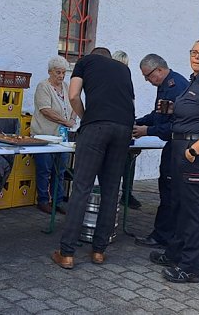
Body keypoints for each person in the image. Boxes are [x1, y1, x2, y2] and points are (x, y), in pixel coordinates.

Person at [148, 39, 199, 284]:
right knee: (179, 207)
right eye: (194, 52)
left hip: (194, 154)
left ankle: (190, 268)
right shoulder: (195, 81)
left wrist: (193, 150)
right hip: (180, 148)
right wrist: (174, 109)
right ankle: (174, 254)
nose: (197, 57)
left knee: (193, 213)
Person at [51, 47, 134, 269]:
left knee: (81, 188)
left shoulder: (85, 61)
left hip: (97, 127)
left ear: (92, 55)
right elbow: (130, 102)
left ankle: (67, 253)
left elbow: (73, 95)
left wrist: (86, 117)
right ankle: (99, 251)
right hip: (124, 129)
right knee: (111, 190)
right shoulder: (123, 69)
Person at [133, 53, 189, 248]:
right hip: (173, 147)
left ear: (158, 70)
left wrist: (147, 131)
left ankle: (163, 236)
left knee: (170, 194)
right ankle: (165, 234)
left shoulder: (176, 87)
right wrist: (138, 122)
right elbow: (158, 116)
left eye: (148, 76)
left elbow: (176, 125)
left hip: (179, 146)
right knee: (167, 191)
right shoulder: (165, 85)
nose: (147, 80)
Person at [31, 56, 75, 214]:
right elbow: (45, 110)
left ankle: (58, 200)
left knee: (60, 170)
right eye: (58, 72)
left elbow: (74, 104)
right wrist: (65, 121)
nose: (61, 76)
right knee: (44, 169)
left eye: (64, 72)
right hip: (44, 135)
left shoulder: (66, 87)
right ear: (50, 72)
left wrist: (72, 119)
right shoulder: (43, 86)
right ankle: (43, 200)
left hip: (61, 137)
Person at [111, 50, 141, 209]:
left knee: (129, 159)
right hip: (112, 125)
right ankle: (112, 193)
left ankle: (127, 193)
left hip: (124, 125)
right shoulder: (107, 80)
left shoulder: (127, 80)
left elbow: (131, 102)